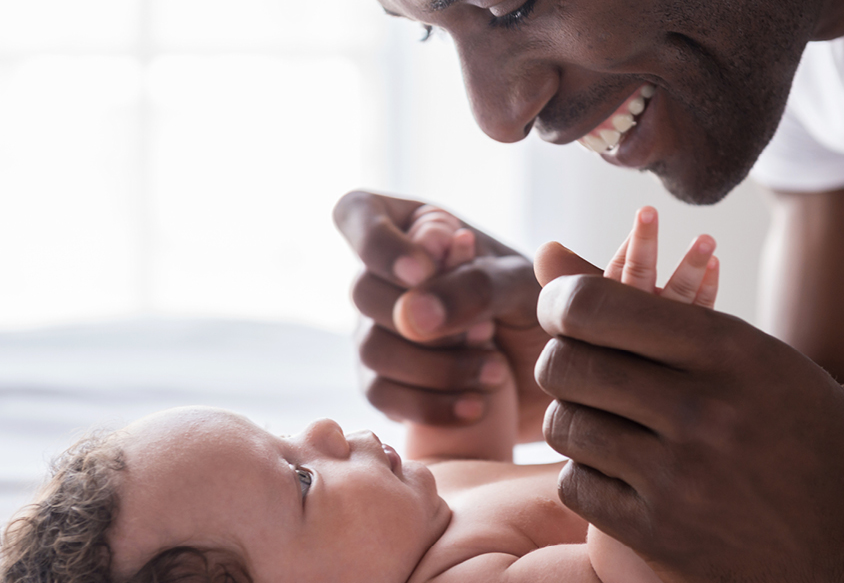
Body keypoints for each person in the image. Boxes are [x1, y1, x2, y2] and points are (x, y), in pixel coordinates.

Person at [333, 0, 844, 578]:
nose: (498, 117)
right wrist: (622, 386)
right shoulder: (787, 43)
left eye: (512, 4)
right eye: (428, 33)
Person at [0, 209, 717, 583]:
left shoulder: (415, 532)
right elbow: (622, 570)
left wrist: (458, 351)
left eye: (281, 434)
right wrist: (625, 394)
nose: (324, 428)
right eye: (300, 478)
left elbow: (468, 453)